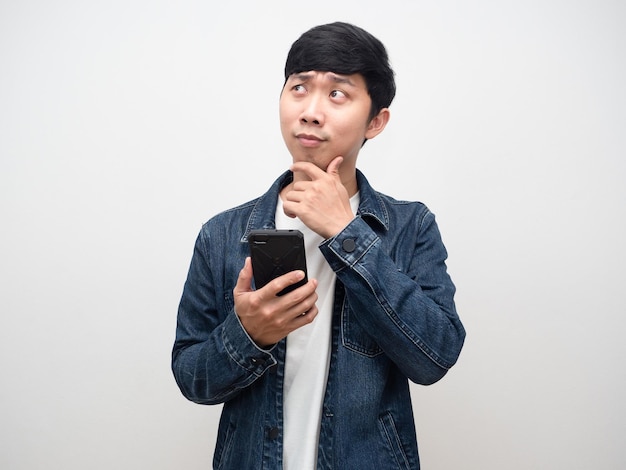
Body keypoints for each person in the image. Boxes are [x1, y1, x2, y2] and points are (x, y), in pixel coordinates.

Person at [172, 22, 466, 470]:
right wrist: (249, 335)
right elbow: (192, 380)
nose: (310, 111)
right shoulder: (221, 234)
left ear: (376, 121)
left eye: (337, 94)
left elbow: (434, 358)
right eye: (299, 88)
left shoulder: (410, 227)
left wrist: (347, 233)